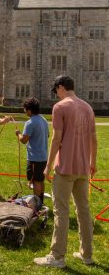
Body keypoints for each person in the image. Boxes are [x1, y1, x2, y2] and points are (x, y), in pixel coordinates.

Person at [34, 75, 98, 268]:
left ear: (61, 87)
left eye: (56, 91)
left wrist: (48, 165)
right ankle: (86, 254)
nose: (56, 95)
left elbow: (56, 139)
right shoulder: (87, 107)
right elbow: (94, 139)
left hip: (65, 168)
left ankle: (57, 257)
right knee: (84, 211)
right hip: (83, 168)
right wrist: (93, 163)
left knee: (61, 211)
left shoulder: (60, 107)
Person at [15, 97, 49, 204]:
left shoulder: (29, 123)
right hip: (43, 157)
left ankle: (37, 206)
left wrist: (18, 134)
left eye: (25, 109)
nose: (24, 111)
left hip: (35, 158)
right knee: (41, 181)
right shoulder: (43, 120)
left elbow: (24, 140)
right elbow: (47, 135)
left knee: (36, 182)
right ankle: (41, 203)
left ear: (29, 110)